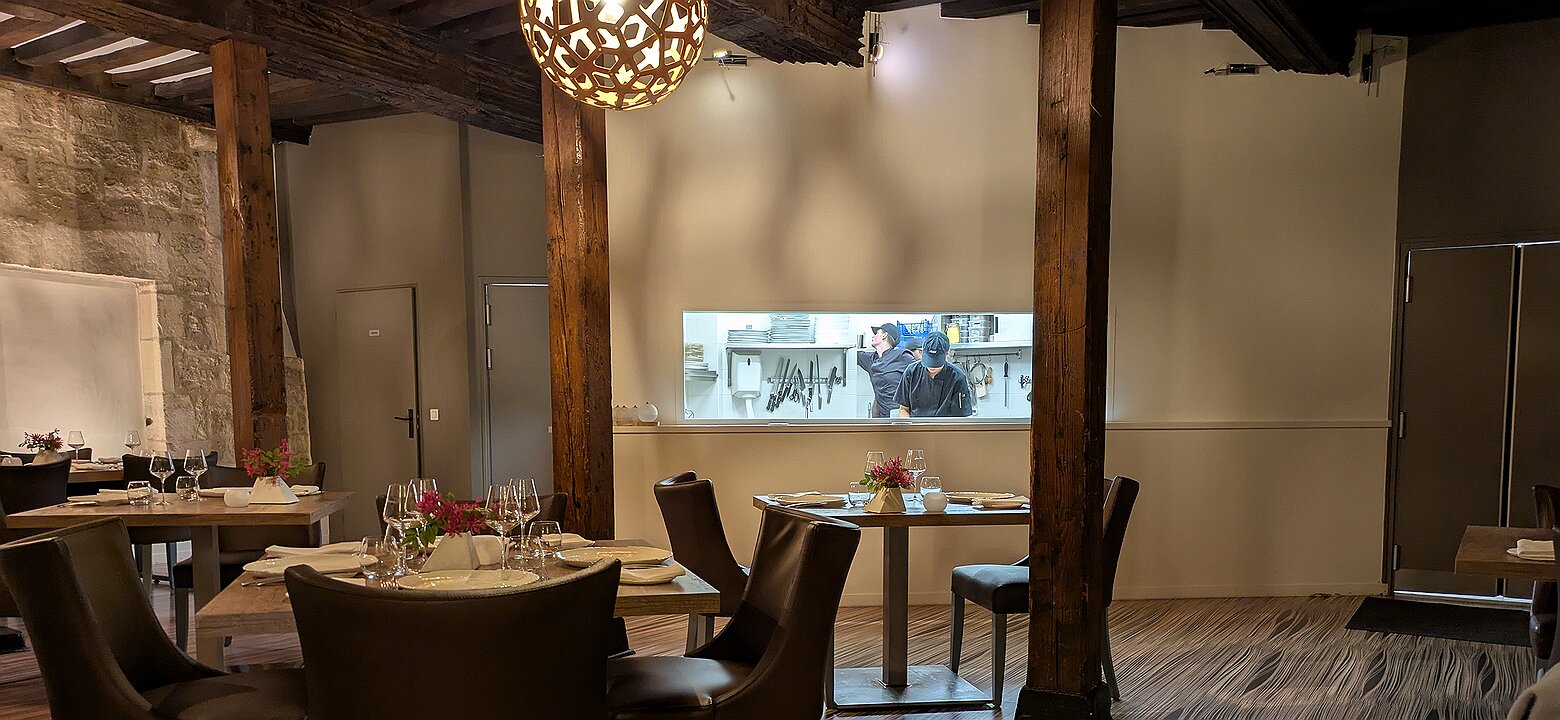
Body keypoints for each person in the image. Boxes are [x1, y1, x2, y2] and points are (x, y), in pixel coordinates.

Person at [895, 331, 973, 418]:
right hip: (916, 425)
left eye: (936, 362)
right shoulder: (911, 372)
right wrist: (909, 424)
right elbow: (903, 409)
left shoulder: (957, 377)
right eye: (928, 361)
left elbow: (962, 417)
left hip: (945, 426)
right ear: (923, 352)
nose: (932, 367)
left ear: (947, 354)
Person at [857, 321, 915, 418]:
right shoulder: (871, 359)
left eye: (876, 333)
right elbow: (853, 355)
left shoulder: (902, 356)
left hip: (901, 415)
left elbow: (920, 372)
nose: (873, 336)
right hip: (883, 418)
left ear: (884, 335)